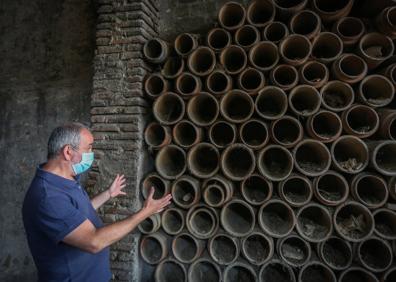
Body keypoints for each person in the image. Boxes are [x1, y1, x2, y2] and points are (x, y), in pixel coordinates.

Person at [22, 122, 172, 282]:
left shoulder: (65, 178)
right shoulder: (48, 197)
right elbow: (94, 241)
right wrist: (144, 213)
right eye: (88, 148)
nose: (91, 153)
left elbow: (76, 215)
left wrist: (108, 194)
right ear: (68, 152)